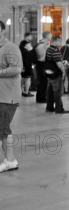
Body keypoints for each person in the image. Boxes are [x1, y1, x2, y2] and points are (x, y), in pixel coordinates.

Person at [0, 21, 22, 172]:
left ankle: (9, 160)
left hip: (7, 97)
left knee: (3, 129)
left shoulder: (10, 47)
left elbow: (16, 69)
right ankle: (10, 160)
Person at [45, 36, 69, 114]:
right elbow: (58, 63)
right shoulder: (55, 50)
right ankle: (59, 109)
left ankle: (49, 107)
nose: (61, 43)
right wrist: (64, 72)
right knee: (57, 92)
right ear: (55, 41)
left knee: (50, 92)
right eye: (60, 41)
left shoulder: (49, 49)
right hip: (55, 74)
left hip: (49, 73)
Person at [34, 31, 51, 103]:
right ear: (47, 36)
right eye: (50, 35)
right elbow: (43, 57)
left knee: (41, 81)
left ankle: (40, 97)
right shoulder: (43, 45)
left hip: (40, 64)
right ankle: (42, 98)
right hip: (42, 64)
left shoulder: (41, 43)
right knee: (43, 82)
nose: (51, 37)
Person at [18, 32, 34, 97]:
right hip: (26, 63)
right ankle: (26, 92)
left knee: (23, 78)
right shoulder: (25, 44)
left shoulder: (22, 44)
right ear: (26, 36)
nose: (31, 38)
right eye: (30, 36)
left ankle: (20, 91)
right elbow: (29, 53)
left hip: (24, 63)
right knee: (27, 78)